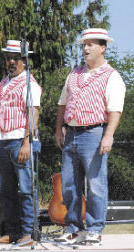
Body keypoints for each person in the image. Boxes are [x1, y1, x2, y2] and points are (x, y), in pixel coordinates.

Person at [54, 28, 126, 245]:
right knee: (68, 184)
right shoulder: (74, 74)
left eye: (90, 44)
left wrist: (109, 135)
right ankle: (75, 229)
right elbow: (62, 104)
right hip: (71, 133)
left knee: (95, 184)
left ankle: (95, 229)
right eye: (84, 44)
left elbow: (115, 109)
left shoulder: (111, 76)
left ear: (102, 48)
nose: (85, 48)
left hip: (94, 133)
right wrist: (59, 129)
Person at [0, 40, 42, 246]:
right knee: (6, 190)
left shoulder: (29, 83)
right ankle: (12, 233)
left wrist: (27, 142)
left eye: (16, 58)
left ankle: (29, 233)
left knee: (26, 189)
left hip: (21, 141)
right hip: (4, 141)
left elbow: (34, 113)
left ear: (24, 60)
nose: (11, 62)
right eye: (9, 58)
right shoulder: (3, 83)